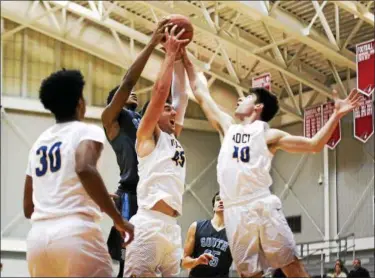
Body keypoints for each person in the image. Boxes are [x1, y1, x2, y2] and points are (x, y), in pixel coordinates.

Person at [180, 49, 361, 278]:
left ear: (258, 107)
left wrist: (336, 116)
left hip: (261, 204)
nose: (239, 99)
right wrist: (184, 56)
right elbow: (200, 90)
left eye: (246, 97)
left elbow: (314, 144)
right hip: (235, 210)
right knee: (249, 274)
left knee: (291, 265)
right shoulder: (228, 127)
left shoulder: (268, 135)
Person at [23, 69, 134, 277]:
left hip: (37, 241)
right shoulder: (86, 131)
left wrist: (90, 198)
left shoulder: (38, 144)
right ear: (80, 103)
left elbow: (28, 208)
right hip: (76, 236)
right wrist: (118, 220)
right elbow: (84, 168)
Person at [102, 18, 172, 278]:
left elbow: (160, 94)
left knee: (154, 260)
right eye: (122, 94)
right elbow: (129, 81)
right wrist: (153, 42)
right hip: (131, 193)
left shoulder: (141, 120)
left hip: (154, 194)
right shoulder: (112, 121)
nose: (133, 94)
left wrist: (173, 55)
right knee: (131, 260)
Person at [123, 25, 190, 277]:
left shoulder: (174, 139)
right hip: (148, 225)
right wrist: (169, 55)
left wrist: (182, 58)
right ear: (153, 114)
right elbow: (161, 92)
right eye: (167, 109)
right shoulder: (146, 137)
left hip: (172, 228)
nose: (173, 111)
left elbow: (180, 95)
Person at [182, 192, 233, 277]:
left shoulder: (234, 233)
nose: (221, 201)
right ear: (213, 207)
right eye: (218, 199)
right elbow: (184, 262)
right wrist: (197, 261)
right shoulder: (196, 226)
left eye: (225, 200)